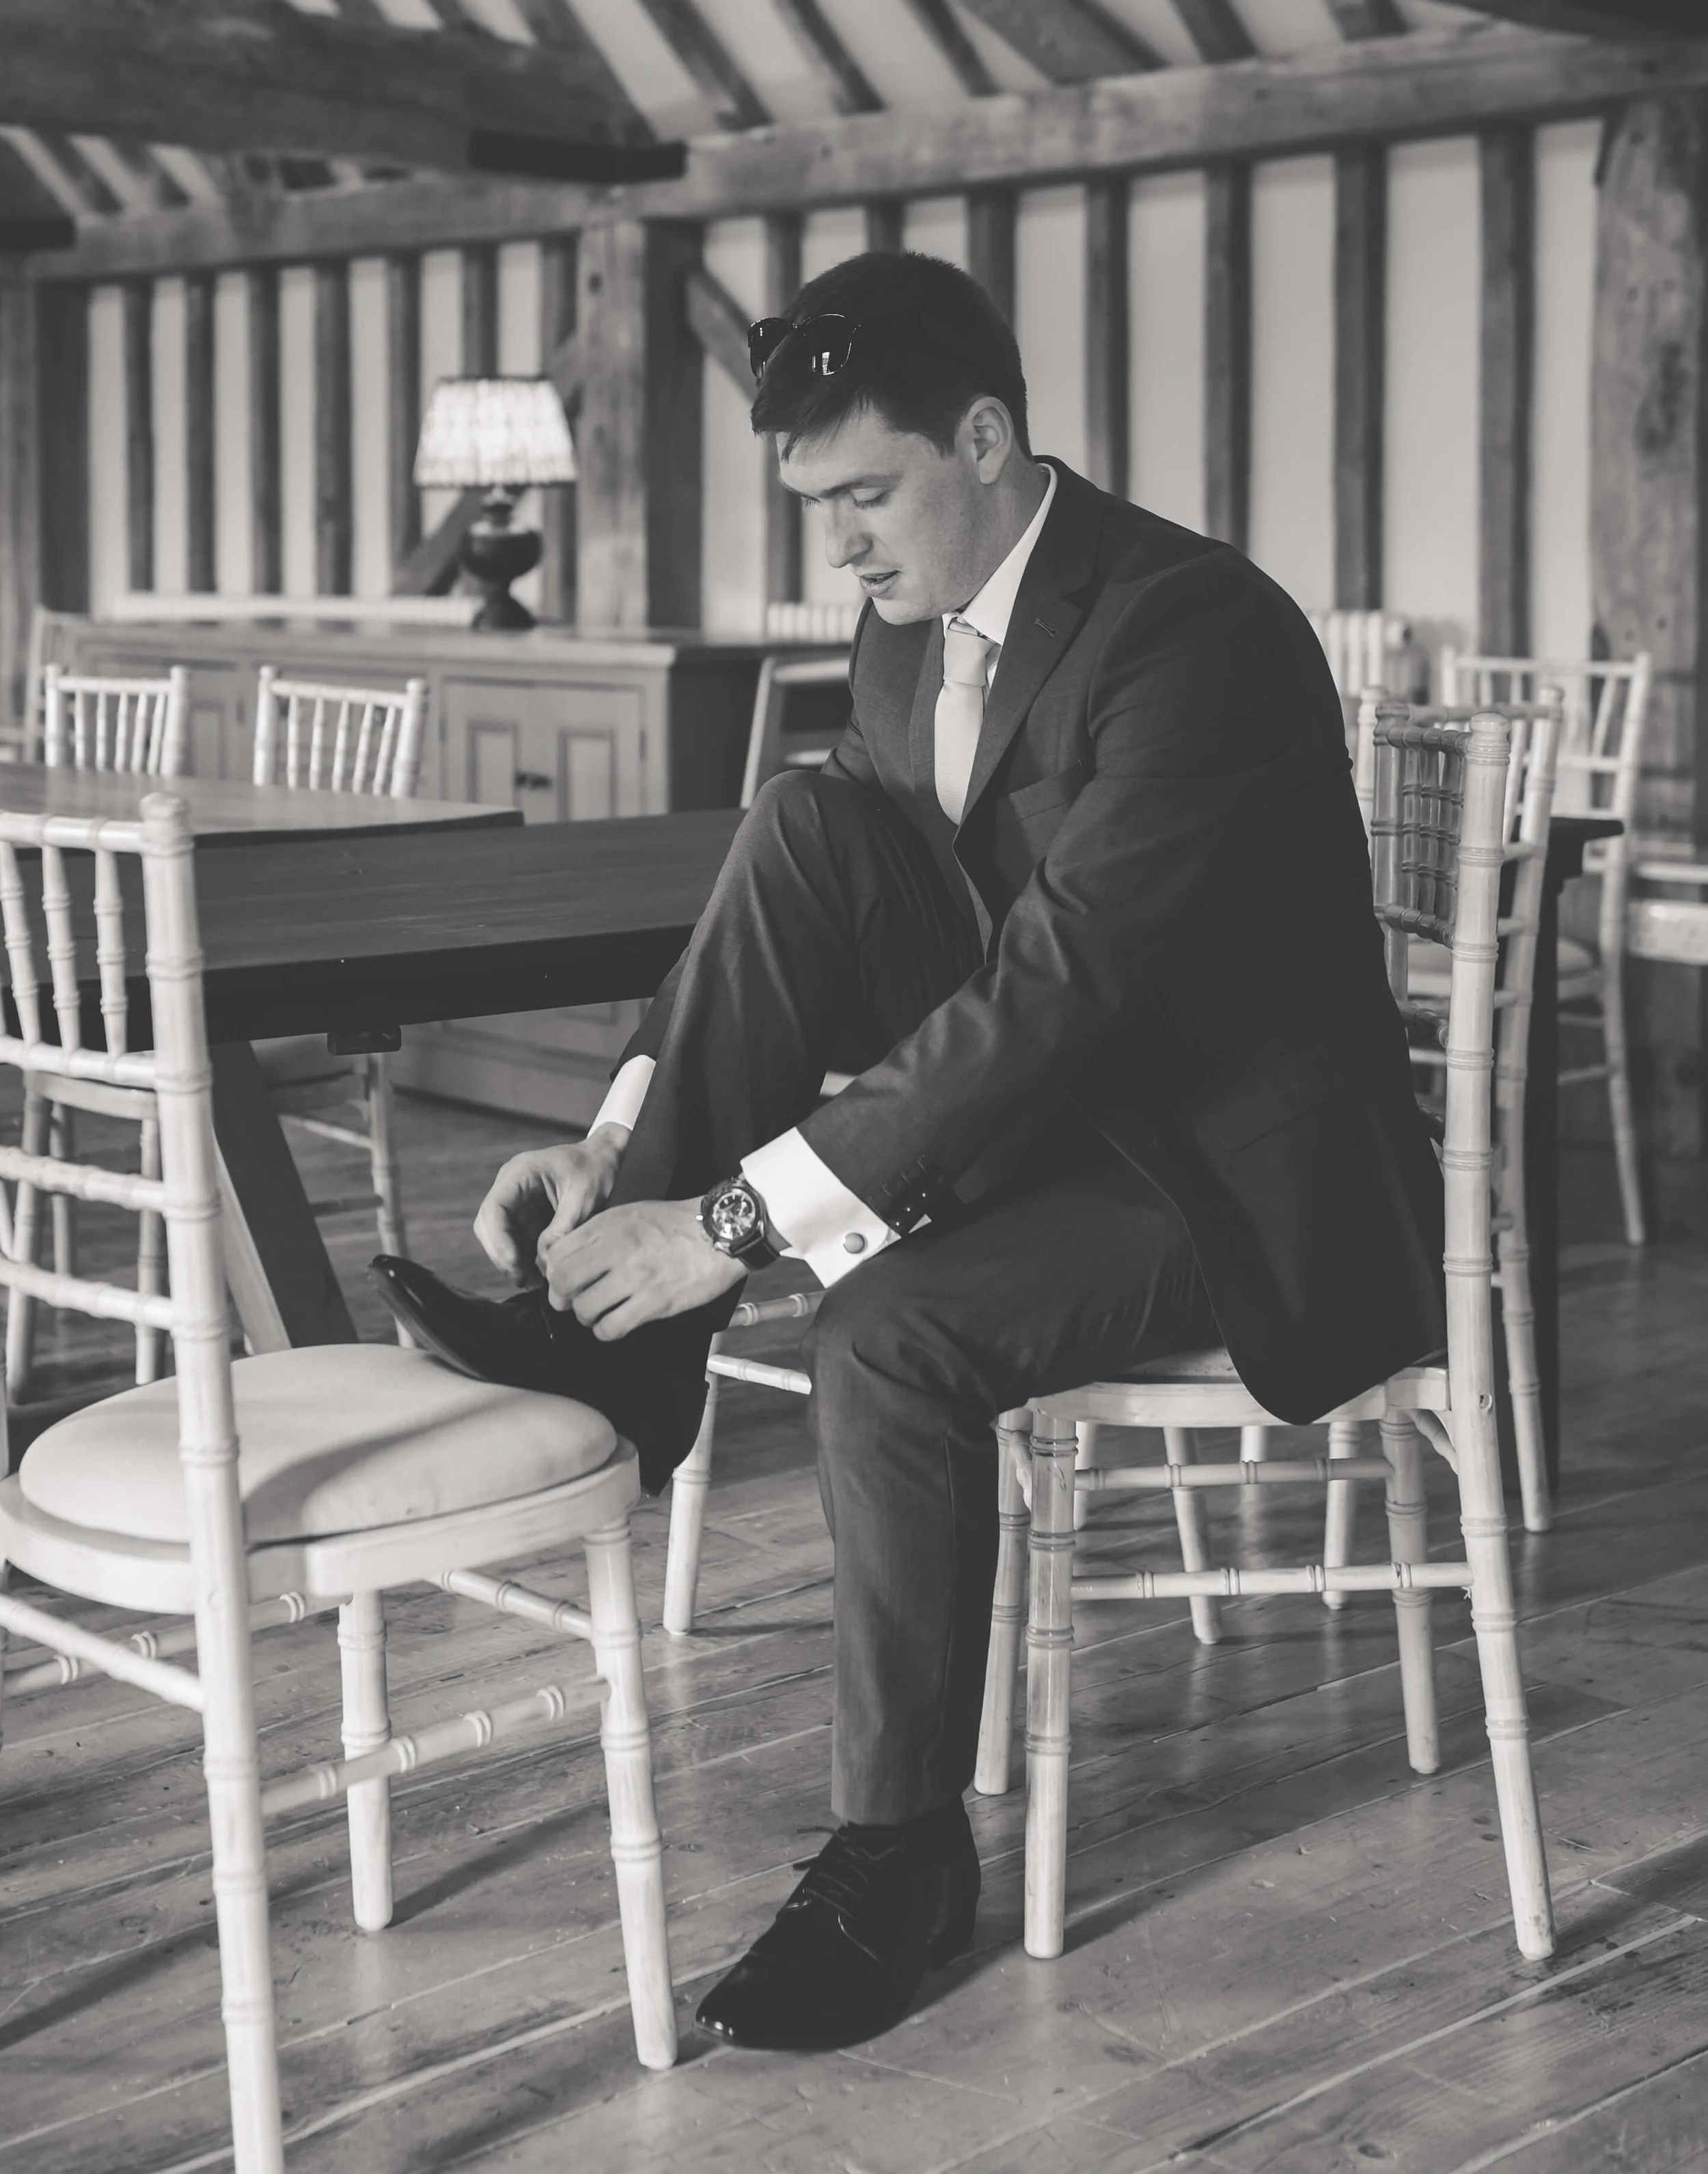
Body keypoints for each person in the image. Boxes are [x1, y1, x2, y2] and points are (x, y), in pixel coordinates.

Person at [372, 250, 1445, 2054]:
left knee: (884, 1327)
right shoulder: (899, 630)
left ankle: (899, 1855)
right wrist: (624, 1151)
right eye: (816, 508)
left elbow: (1055, 994)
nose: (843, 546)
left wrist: (739, 1223)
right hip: (1054, 1115)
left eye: (867, 494)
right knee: (804, 821)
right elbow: (828, 918)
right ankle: (608, 1334)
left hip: (1230, 1169)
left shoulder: (1196, 630)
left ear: (988, 437)